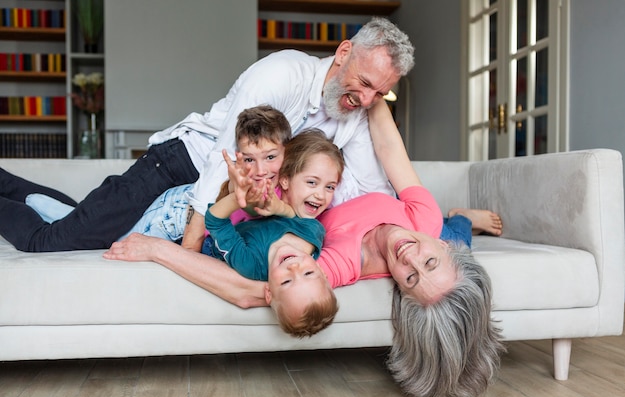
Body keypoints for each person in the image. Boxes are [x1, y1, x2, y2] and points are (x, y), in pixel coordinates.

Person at [104, 100, 505, 397]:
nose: (409, 256)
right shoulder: (426, 220)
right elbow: (388, 145)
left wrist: (159, 251)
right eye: (429, 260)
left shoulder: (342, 264)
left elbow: (251, 291)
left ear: (400, 288)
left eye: (411, 277)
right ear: (441, 248)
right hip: (443, 225)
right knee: (455, 229)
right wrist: (374, 89)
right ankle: (462, 219)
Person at [0, 16, 415, 252]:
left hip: (221, 201)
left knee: (84, 224)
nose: (365, 98)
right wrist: (194, 237)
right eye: (362, 82)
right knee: (49, 240)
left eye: (379, 93)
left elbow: (364, 189)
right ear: (343, 54)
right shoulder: (284, 72)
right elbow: (226, 150)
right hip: (177, 166)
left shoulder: (357, 117)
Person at [203, 128, 345, 337]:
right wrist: (279, 208)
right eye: (308, 273)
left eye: (287, 281)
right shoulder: (314, 230)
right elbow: (295, 217)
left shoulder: (252, 264)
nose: (294, 268)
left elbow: (215, 222)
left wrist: (237, 198)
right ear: (322, 272)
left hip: (211, 238)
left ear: (268, 291)